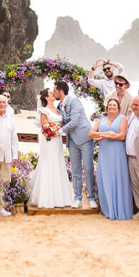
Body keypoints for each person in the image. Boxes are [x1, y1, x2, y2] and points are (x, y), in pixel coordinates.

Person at [29, 88, 73, 209]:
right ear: (47, 98)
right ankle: (46, 197)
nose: (53, 94)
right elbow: (44, 127)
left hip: (57, 140)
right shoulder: (44, 110)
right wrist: (53, 132)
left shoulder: (58, 109)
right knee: (48, 164)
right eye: (51, 93)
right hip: (49, 140)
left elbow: (63, 123)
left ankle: (59, 197)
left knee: (57, 164)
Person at [89, 99, 132, 221]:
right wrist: (107, 133)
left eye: (114, 105)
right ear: (107, 107)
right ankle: (108, 209)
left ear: (118, 107)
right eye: (110, 105)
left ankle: (119, 210)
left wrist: (103, 136)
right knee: (105, 179)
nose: (112, 107)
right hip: (104, 153)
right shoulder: (100, 119)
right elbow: (90, 134)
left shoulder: (122, 118)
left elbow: (122, 136)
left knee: (118, 179)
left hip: (117, 154)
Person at [55, 81, 95, 209]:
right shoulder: (58, 106)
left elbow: (74, 121)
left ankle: (92, 198)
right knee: (76, 171)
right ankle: (77, 198)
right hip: (72, 141)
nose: (54, 93)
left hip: (85, 138)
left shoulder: (74, 101)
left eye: (55, 90)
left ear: (61, 91)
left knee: (88, 170)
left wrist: (59, 131)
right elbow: (62, 121)